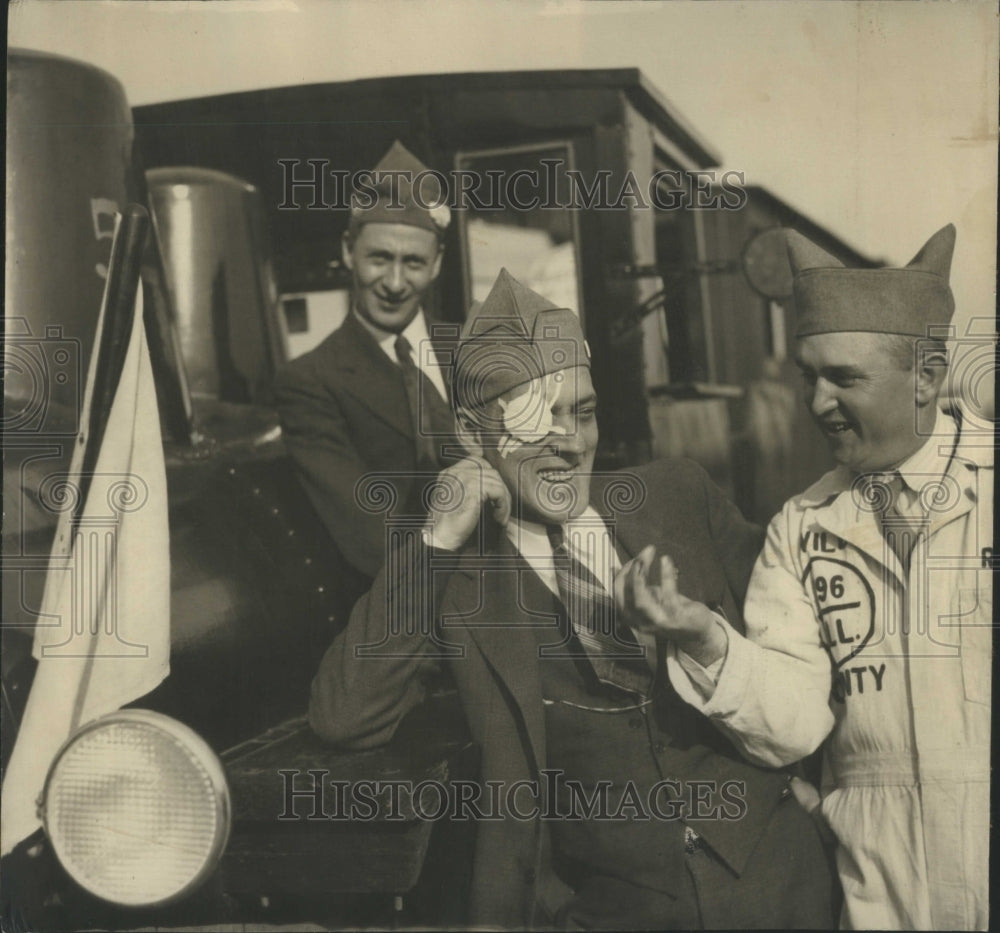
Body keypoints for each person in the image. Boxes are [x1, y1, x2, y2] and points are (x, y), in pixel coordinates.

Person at [309, 268, 837, 930]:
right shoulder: (457, 578)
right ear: (474, 437)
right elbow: (344, 714)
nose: (570, 439)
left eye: (582, 412)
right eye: (537, 418)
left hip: (780, 887)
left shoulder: (677, 496)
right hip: (612, 910)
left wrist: (830, 787)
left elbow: (814, 634)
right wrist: (438, 536)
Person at [623, 225, 992, 930]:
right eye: (807, 375)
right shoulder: (805, 525)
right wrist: (705, 639)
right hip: (879, 884)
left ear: (927, 373)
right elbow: (792, 718)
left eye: (844, 377)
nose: (816, 400)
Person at [274, 140, 457, 579]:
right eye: (379, 258)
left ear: (436, 265)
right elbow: (370, 538)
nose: (394, 282)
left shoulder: (476, 351)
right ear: (347, 251)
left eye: (413, 262)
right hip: (412, 603)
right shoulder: (311, 382)